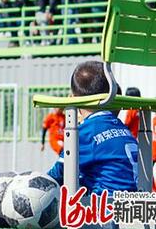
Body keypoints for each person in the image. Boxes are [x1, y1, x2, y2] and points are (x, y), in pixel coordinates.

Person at [47, 61, 139, 196]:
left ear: (73, 98)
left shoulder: (86, 132)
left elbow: (55, 176)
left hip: (107, 211)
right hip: (136, 205)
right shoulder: (122, 128)